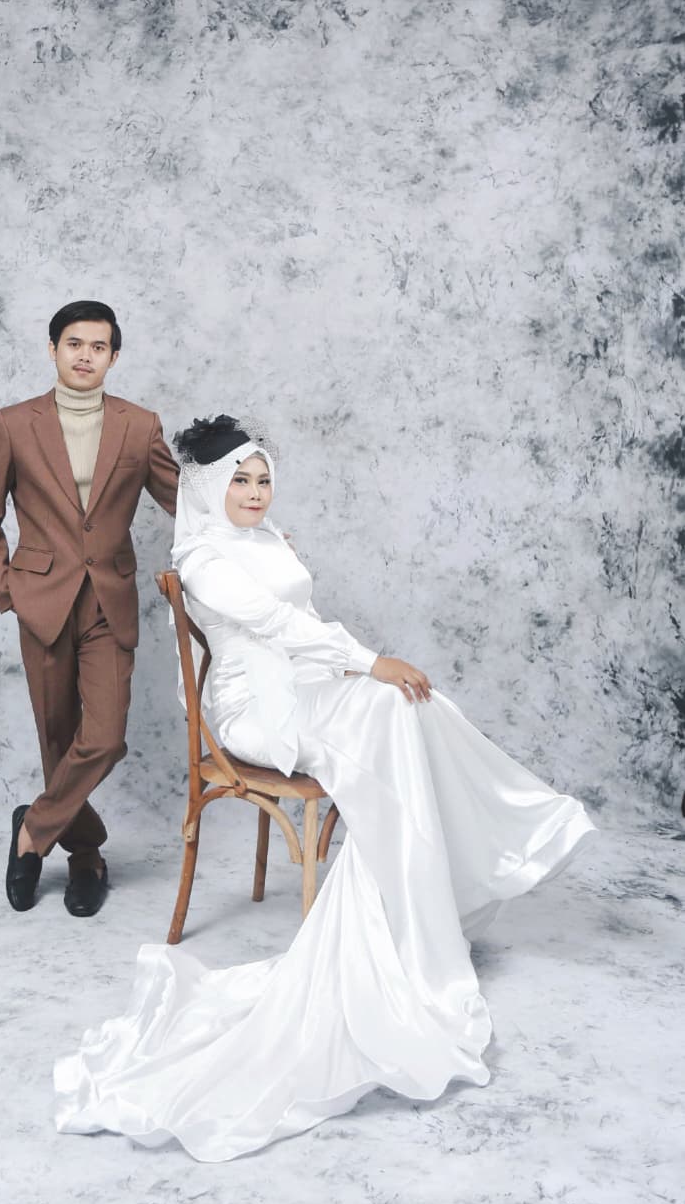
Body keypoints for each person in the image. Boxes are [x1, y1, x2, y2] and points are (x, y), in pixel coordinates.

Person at [53, 415, 595, 1158]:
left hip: (306, 682)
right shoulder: (205, 557)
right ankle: (439, 906)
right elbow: (274, 622)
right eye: (240, 482)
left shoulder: (265, 539)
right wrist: (369, 663)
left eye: (263, 479)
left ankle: (467, 874)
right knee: (390, 707)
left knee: (414, 709)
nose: (255, 493)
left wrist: (362, 669)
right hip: (253, 706)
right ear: (209, 490)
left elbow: (302, 619)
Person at [0, 301, 179, 917]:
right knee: (58, 738)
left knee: (103, 738)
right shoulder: (14, 424)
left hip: (109, 601)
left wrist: (254, 529)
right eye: (74, 344)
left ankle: (33, 829)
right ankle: (85, 856)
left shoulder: (140, 426)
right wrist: (8, 589)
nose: (85, 355)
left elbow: (185, 503)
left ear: (114, 356)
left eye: (99, 346)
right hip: (42, 602)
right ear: (54, 349)